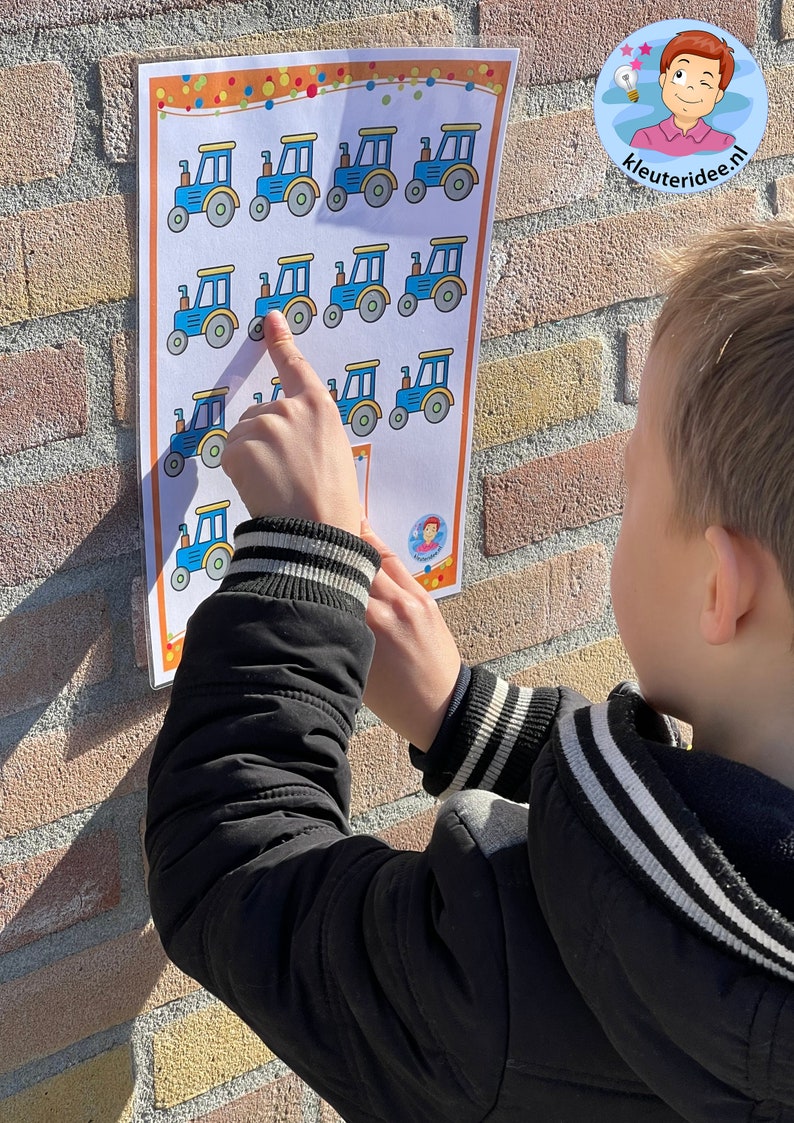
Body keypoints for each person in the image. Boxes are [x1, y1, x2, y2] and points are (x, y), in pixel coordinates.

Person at [146, 222, 794, 1123]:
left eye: (634, 473)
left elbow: (232, 872)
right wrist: (464, 714)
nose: (623, 488)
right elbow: (682, 846)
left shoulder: (504, 987)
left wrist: (298, 566)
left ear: (720, 589)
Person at [630, 30, 735, 155]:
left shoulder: (725, 143)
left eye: (704, 83)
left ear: (718, 95)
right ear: (663, 79)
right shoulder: (644, 138)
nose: (690, 87)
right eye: (679, 75)